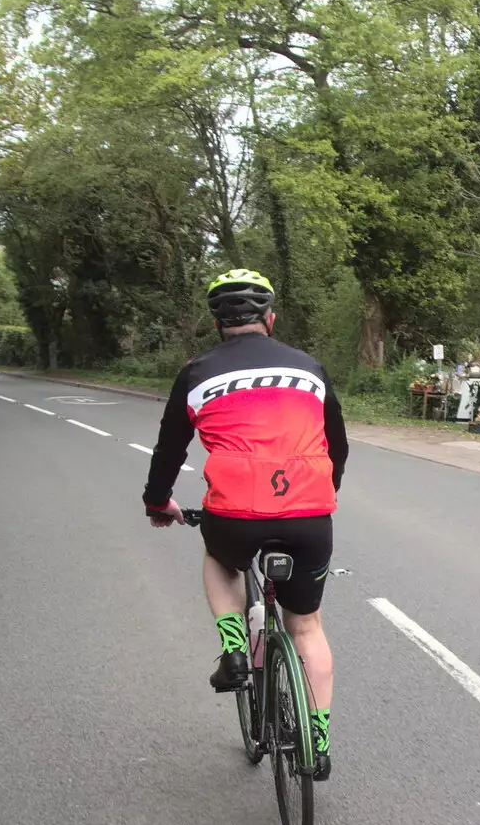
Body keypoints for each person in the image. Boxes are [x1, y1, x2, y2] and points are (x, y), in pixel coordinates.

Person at [142, 269, 348, 775]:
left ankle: (235, 648)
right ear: (270, 319)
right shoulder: (309, 369)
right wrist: (321, 495)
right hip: (308, 512)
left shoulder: (196, 373)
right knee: (307, 627)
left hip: (234, 512)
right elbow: (337, 446)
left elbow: (170, 449)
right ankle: (317, 746)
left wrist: (158, 504)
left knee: (221, 560)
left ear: (217, 325)